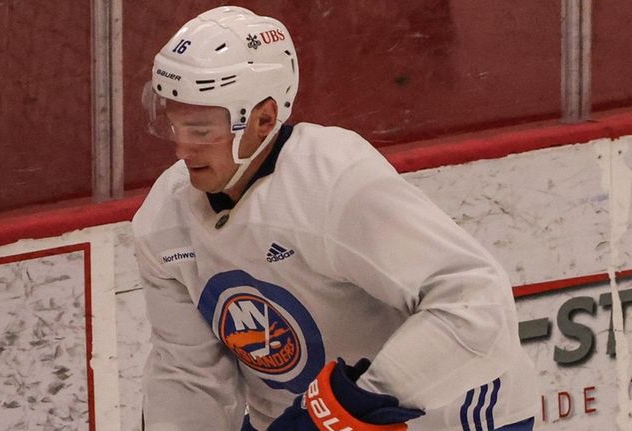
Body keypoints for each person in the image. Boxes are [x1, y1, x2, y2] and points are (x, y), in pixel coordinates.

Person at [132, 5, 539, 431]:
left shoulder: (333, 183)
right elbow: (187, 375)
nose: (181, 150)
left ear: (263, 118)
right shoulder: (164, 221)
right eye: (174, 126)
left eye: (201, 131)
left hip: (450, 414)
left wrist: (342, 409)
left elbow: (475, 302)